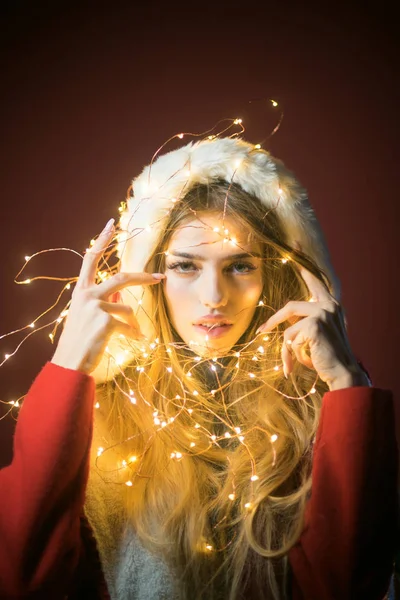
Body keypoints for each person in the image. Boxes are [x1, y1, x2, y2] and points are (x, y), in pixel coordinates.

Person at [0, 135, 397, 600]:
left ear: (274, 272)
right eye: (186, 266)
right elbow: (22, 581)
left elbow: (350, 588)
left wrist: (347, 385)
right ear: (150, 273)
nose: (213, 296)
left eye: (241, 266)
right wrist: (68, 366)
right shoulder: (104, 413)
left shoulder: (310, 411)